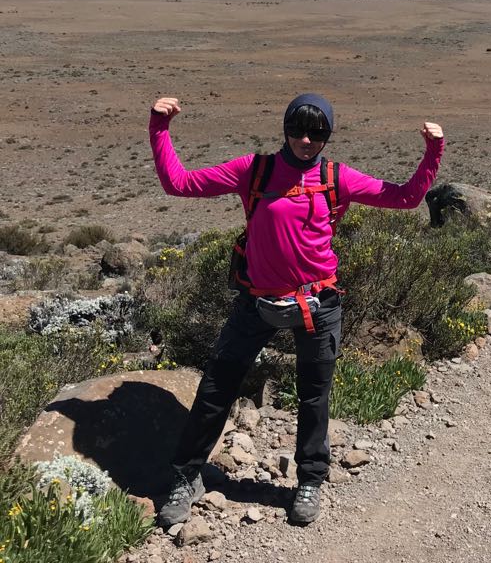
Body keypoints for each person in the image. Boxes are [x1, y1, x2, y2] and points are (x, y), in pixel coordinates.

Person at [149, 93, 444, 527]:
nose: (306, 139)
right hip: (256, 301)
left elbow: (404, 198)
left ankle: (309, 480)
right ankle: (186, 475)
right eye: (297, 129)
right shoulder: (255, 170)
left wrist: (433, 151)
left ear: (328, 134)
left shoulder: (335, 177)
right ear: (284, 128)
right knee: (216, 388)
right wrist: (159, 127)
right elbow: (179, 183)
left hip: (318, 302)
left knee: (314, 395)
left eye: (317, 132)